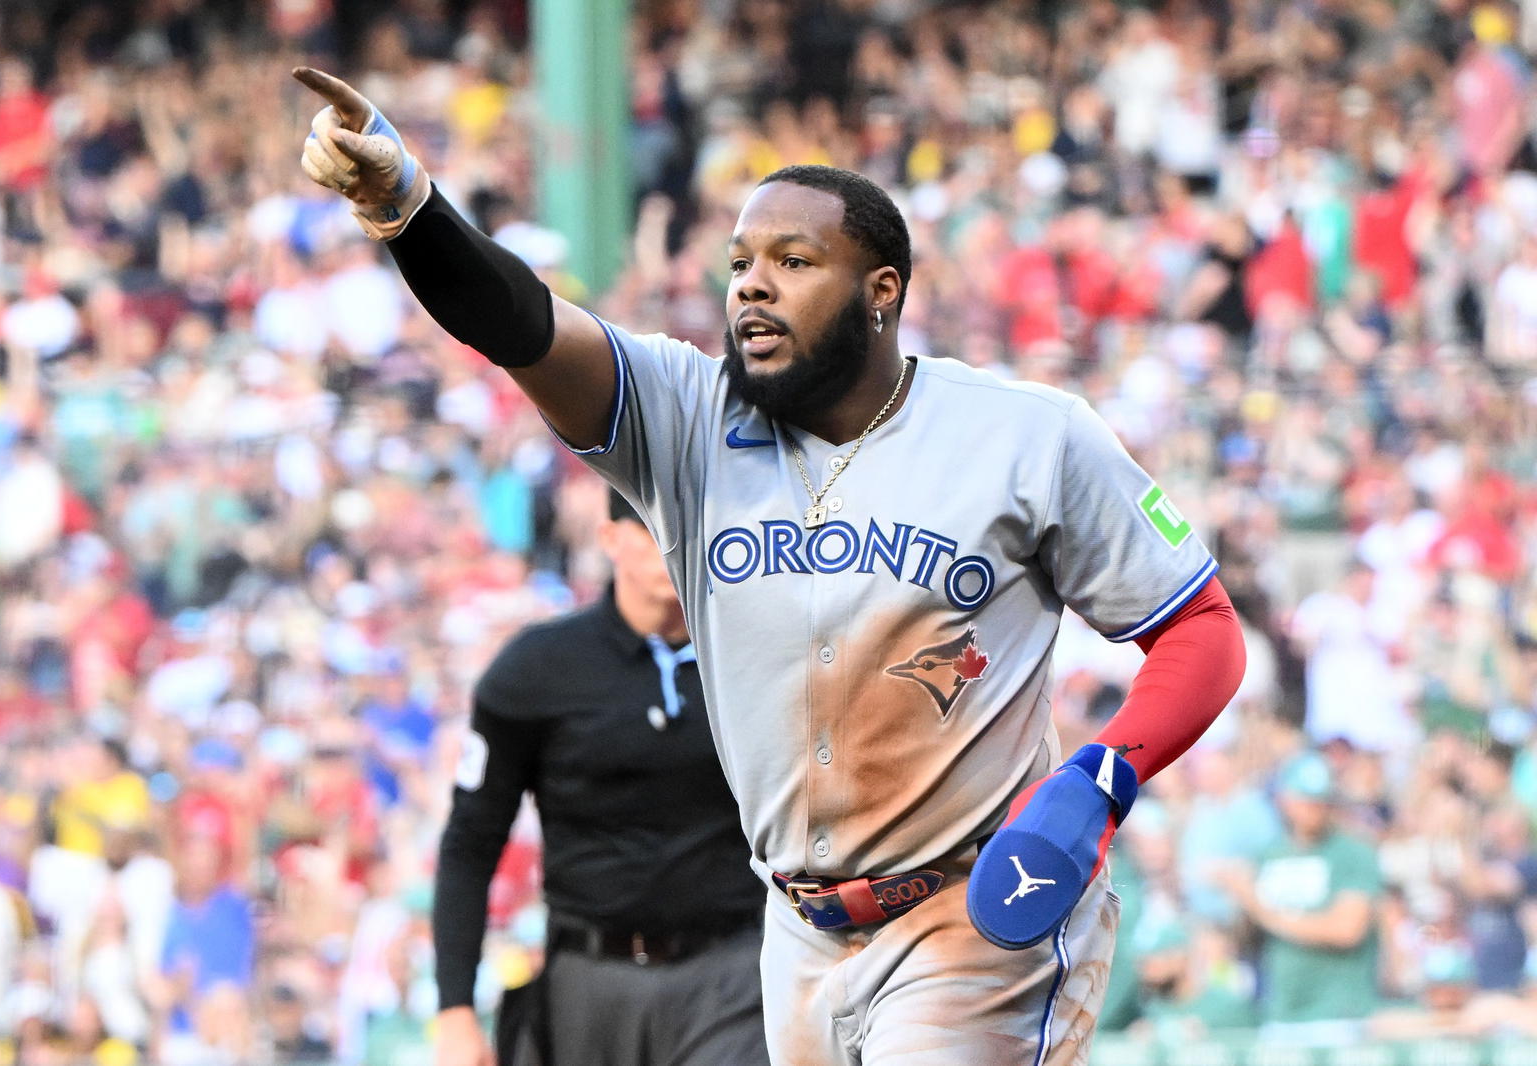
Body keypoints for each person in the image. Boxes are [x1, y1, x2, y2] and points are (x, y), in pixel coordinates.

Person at [296, 68, 1246, 1065]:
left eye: (793, 260)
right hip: (793, 930)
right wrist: (411, 209)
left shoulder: (1025, 434)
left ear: (881, 293)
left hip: (974, 913)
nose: (750, 281)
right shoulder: (686, 415)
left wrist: (1100, 776)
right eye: (741, 259)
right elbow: (521, 324)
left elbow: (1200, 627)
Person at [432, 489, 766, 1066]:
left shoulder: (762, 658)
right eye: (651, 529)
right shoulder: (537, 671)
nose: (672, 545)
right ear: (610, 540)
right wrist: (455, 1008)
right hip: (588, 977)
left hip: (733, 971)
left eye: (686, 527)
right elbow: (470, 842)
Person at [1219, 752, 1383, 1037]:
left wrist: (1262, 910)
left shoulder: (1353, 853)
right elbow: (1245, 939)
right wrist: (1239, 901)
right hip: (1280, 1013)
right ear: (1285, 800)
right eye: (1306, 800)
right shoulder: (1269, 854)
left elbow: (1347, 930)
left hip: (1338, 1015)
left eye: (1322, 801)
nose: (1314, 809)